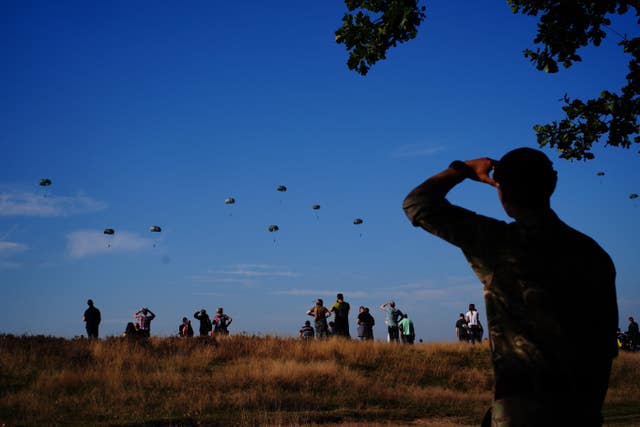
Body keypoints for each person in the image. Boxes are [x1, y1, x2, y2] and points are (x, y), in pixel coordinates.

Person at [403, 148, 618, 426]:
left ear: (501, 190)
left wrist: (462, 169)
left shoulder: (500, 245)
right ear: (552, 183)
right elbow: (603, 347)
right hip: (582, 407)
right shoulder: (593, 255)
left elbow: (417, 203)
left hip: (521, 405)